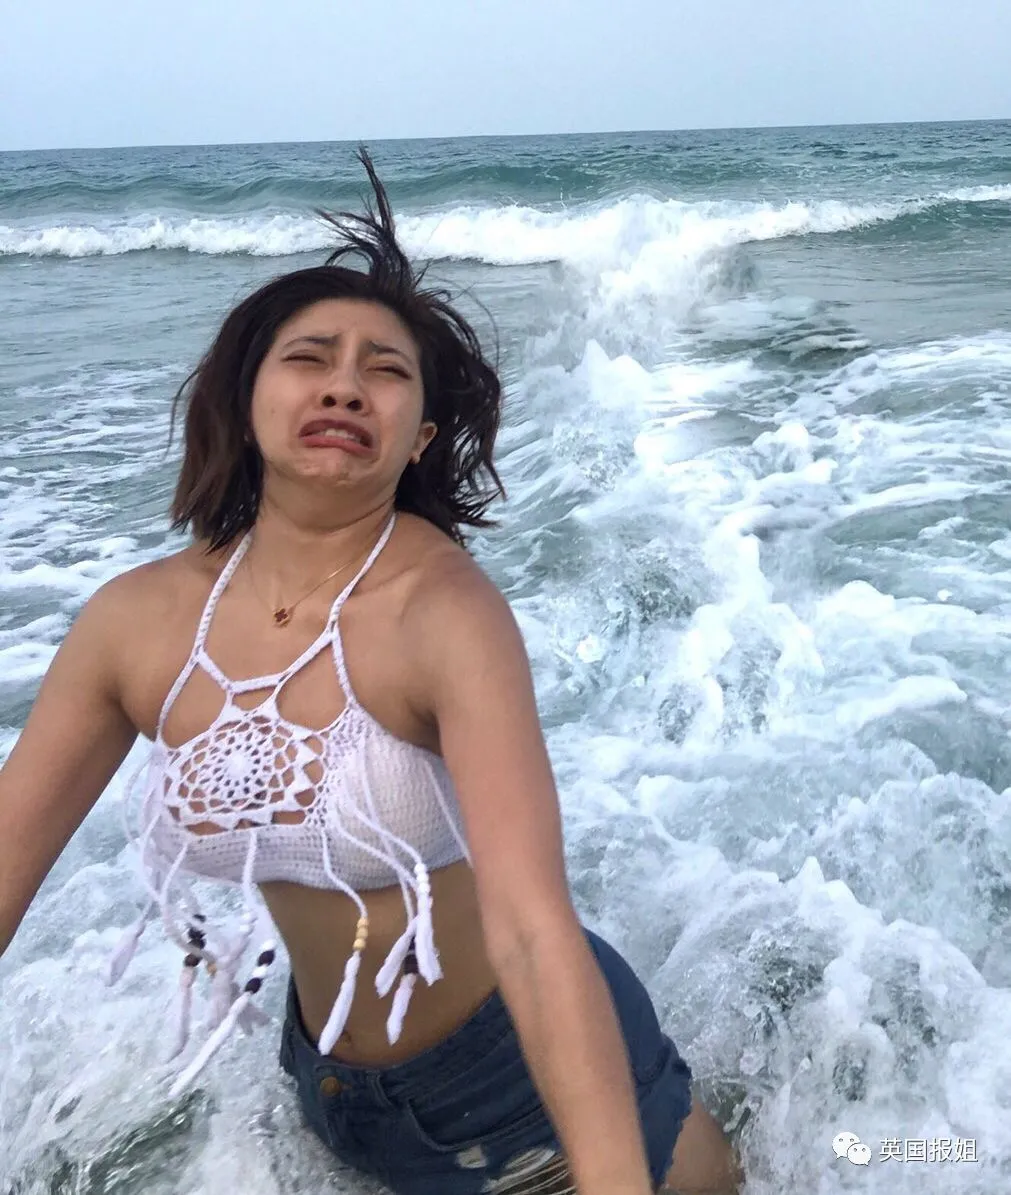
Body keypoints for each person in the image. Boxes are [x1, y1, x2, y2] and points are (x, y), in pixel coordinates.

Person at [0, 150, 740, 1195]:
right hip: (329, 1080)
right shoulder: (139, 621)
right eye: (310, 356)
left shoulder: (444, 614)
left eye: (385, 370)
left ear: (419, 436)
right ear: (245, 397)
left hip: (519, 1082)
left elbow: (532, 929)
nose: (346, 383)